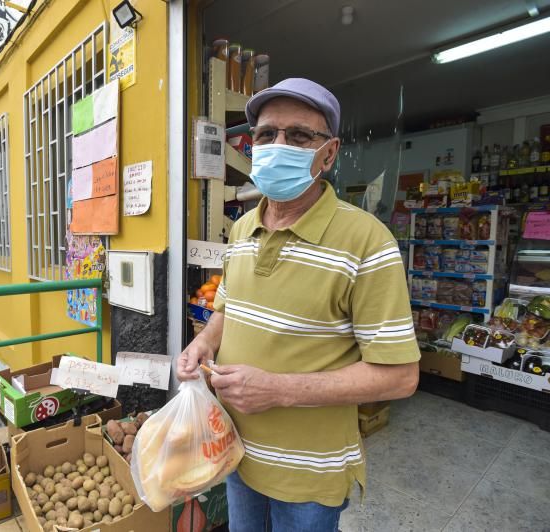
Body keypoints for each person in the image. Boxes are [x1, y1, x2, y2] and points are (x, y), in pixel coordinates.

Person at [177, 78, 420, 532]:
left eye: (299, 136)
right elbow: (229, 310)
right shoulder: (242, 229)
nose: (278, 145)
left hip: (309, 478)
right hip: (235, 453)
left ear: (327, 154)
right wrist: (204, 343)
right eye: (267, 135)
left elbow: (401, 376)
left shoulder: (368, 242)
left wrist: (279, 389)